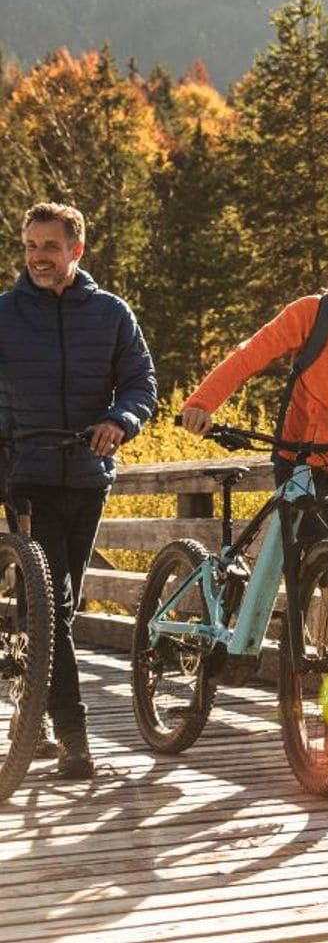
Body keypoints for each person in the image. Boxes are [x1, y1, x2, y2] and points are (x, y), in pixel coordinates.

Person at [0, 202, 157, 779]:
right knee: (54, 604)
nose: (39, 257)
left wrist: (120, 420)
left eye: (51, 246)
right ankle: (73, 735)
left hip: (89, 474)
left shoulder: (111, 314)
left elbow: (141, 381)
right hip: (27, 471)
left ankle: (31, 714)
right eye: (31, 246)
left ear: (76, 250)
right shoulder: (5, 314)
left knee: (50, 601)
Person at [180, 227, 328, 563]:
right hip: (301, 458)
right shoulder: (311, 313)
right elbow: (249, 355)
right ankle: (295, 614)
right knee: (318, 562)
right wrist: (201, 403)